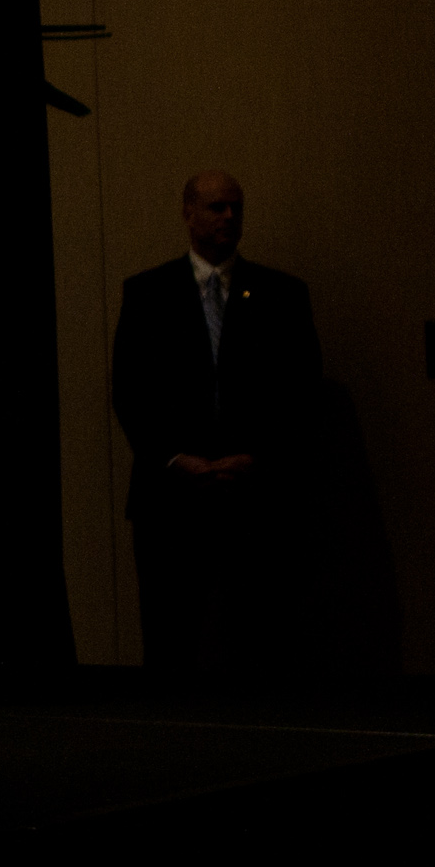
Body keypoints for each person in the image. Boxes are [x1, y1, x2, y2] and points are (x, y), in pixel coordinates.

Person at [111, 171, 323, 678]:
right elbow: (130, 390)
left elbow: (301, 391)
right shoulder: (147, 293)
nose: (229, 217)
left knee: (263, 641)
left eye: (236, 208)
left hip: (256, 494)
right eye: (216, 207)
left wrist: (259, 457)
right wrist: (174, 458)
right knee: (168, 639)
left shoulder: (282, 295)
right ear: (187, 212)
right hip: (170, 497)